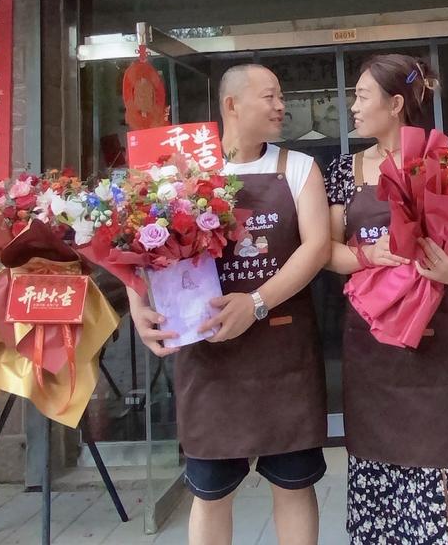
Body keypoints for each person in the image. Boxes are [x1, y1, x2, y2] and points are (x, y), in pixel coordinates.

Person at [129, 64, 331, 545]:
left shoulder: (299, 168)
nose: (281, 106)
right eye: (270, 96)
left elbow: (317, 247)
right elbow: (140, 248)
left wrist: (256, 302)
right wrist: (138, 304)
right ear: (232, 105)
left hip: (284, 355)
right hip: (210, 358)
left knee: (294, 485)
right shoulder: (183, 173)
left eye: (281, 96)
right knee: (210, 493)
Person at [325, 54, 448, 544]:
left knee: (437, 463)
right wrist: (369, 255)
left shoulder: (445, 165)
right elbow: (327, 252)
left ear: (395, 104)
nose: (353, 107)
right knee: (376, 467)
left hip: (431, 347)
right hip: (369, 347)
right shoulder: (344, 170)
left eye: (361, 96)